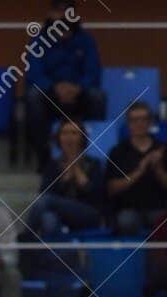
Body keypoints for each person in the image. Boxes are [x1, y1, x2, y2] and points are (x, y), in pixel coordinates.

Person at [25, 1, 105, 171]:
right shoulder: (39, 40)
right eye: (58, 12)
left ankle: (91, 157)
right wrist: (55, 88)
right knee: (33, 97)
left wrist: (78, 88)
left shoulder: (86, 40)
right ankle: (44, 157)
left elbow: (93, 72)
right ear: (50, 15)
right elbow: (34, 73)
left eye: (66, 12)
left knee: (97, 97)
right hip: (51, 96)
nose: (61, 17)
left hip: (79, 95)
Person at [28, 118, 105, 242]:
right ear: (59, 138)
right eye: (65, 133)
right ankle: (55, 259)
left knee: (47, 201)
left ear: (82, 137)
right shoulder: (52, 165)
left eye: (74, 133)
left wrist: (76, 169)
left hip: (88, 213)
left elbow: (97, 196)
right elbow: (44, 194)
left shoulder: (94, 164)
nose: (69, 137)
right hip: (61, 214)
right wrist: (66, 177)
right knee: (48, 219)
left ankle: (27, 237)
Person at [105, 102, 167, 237]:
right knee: (126, 221)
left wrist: (159, 169)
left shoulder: (163, 149)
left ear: (151, 122)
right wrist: (140, 170)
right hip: (129, 209)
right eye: (135, 120)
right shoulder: (118, 152)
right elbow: (111, 189)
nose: (139, 124)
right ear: (128, 124)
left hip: (159, 208)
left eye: (144, 119)